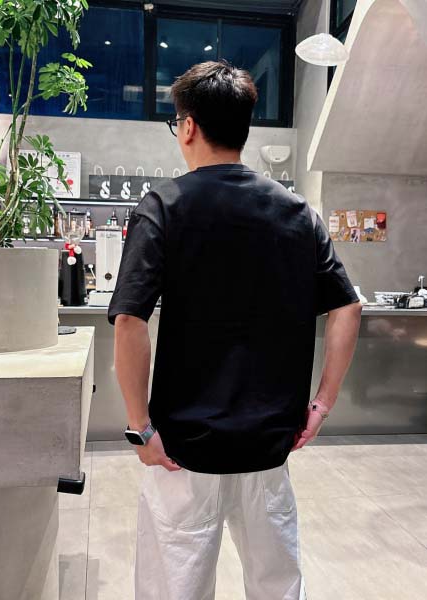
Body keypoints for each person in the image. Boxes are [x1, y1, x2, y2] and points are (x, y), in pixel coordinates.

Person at [108, 60, 362, 600]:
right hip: (268, 446)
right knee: (276, 585)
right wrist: (321, 405)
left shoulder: (164, 207)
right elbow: (348, 307)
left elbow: (130, 319)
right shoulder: (297, 212)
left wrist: (140, 428)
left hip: (184, 451)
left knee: (175, 588)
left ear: (188, 126)